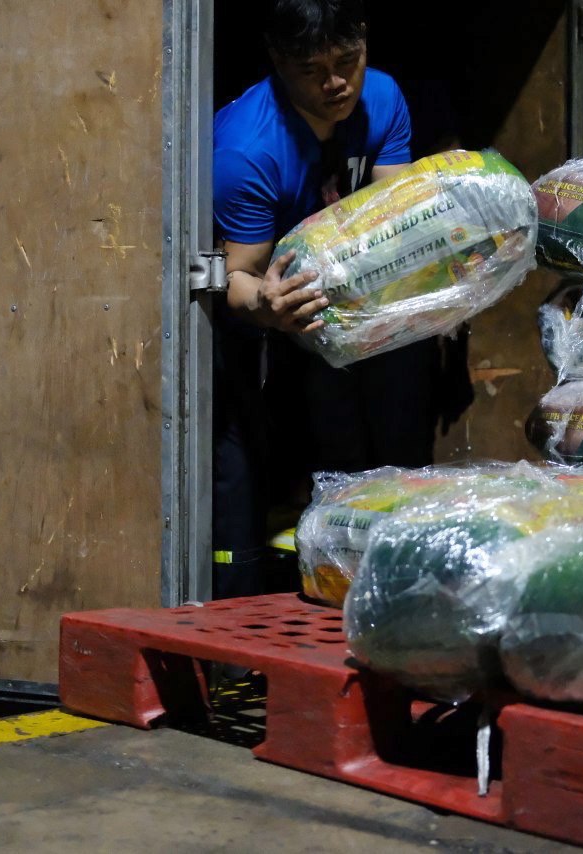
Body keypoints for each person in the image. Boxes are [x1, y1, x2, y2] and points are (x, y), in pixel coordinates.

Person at [211, 0, 442, 599]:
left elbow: (397, 222)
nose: (335, 83)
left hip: (356, 303)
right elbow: (237, 277)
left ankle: (402, 579)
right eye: (311, 70)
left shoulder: (382, 97)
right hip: (278, 316)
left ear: (363, 39)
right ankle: (326, 578)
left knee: (405, 398)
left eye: (346, 61)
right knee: (314, 446)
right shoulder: (247, 150)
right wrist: (266, 307)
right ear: (277, 59)